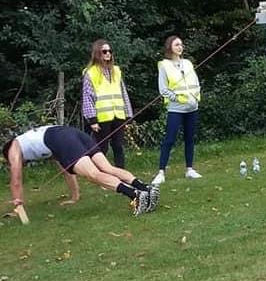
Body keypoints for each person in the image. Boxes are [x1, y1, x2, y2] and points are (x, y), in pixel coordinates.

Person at [2, 125, 159, 216]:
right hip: (71, 133)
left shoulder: (13, 149)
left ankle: (135, 195)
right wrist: (75, 197)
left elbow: (16, 180)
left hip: (62, 139)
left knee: (93, 174)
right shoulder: (36, 142)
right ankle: (146, 190)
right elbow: (66, 169)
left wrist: (18, 206)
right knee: (107, 168)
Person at [152, 35, 202, 185]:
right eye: (176, 45)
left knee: (190, 138)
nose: (180, 47)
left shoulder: (187, 63)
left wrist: (196, 97)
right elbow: (163, 89)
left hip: (192, 107)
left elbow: (196, 82)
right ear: (170, 47)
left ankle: (189, 169)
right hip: (176, 109)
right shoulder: (164, 65)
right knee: (169, 139)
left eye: (181, 44)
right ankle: (161, 172)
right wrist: (177, 98)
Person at [81, 39, 133, 168]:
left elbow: (123, 93)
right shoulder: (90, 72)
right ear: (97, 53)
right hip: (101, 117)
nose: (108, 53)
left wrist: (128, 115)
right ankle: (100, 173)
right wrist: (92, 120)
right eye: (104, 51)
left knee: (118, 146)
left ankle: (121, 173)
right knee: (101, 148)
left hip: (118, 115)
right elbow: (87, 97)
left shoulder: (116, 71)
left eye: (110, 51)